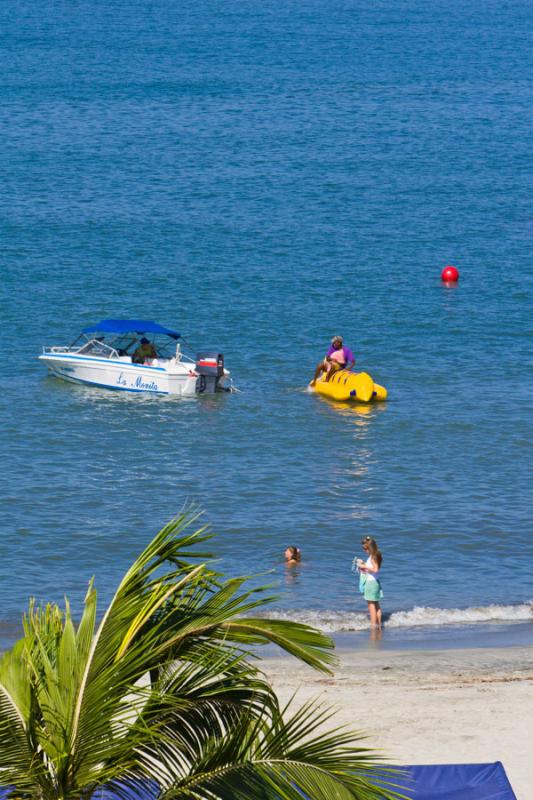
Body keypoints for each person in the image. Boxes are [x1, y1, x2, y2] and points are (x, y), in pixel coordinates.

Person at [356, 535, 383, 629]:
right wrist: (364, 564)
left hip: (371, 584)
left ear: (369, 548)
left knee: (371, 607)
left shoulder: (372, 557)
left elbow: (375, 570)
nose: (364, 551)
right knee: (377, 605)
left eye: (365, 549)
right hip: (375, 582)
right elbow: (374, 568)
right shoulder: (377, 555)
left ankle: (373, 627)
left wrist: (364, 567)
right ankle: (379, 626)